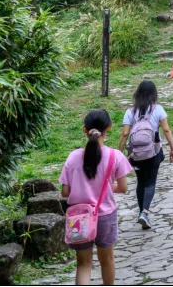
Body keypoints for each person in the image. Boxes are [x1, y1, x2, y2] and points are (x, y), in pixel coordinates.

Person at [60, 109, 133, 286]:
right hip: (105, 216)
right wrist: (107, 188)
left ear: (84, 130)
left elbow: (65, 192)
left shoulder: (73, 157)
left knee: (83, 264)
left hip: (79, 218)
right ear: (109, 127)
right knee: (107, 260)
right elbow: (123, 188)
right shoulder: (116, 156)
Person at [117, 81, 173, 229]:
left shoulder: (130, 111)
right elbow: (166, 130)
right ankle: (145, 213)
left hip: (136, 153)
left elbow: (125, 133)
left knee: (141, 182)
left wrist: (120, 153)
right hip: (153, 152)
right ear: (153, 94)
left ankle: (140, 213)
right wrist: (172, 148)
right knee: (151, 182)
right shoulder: (158, 109)